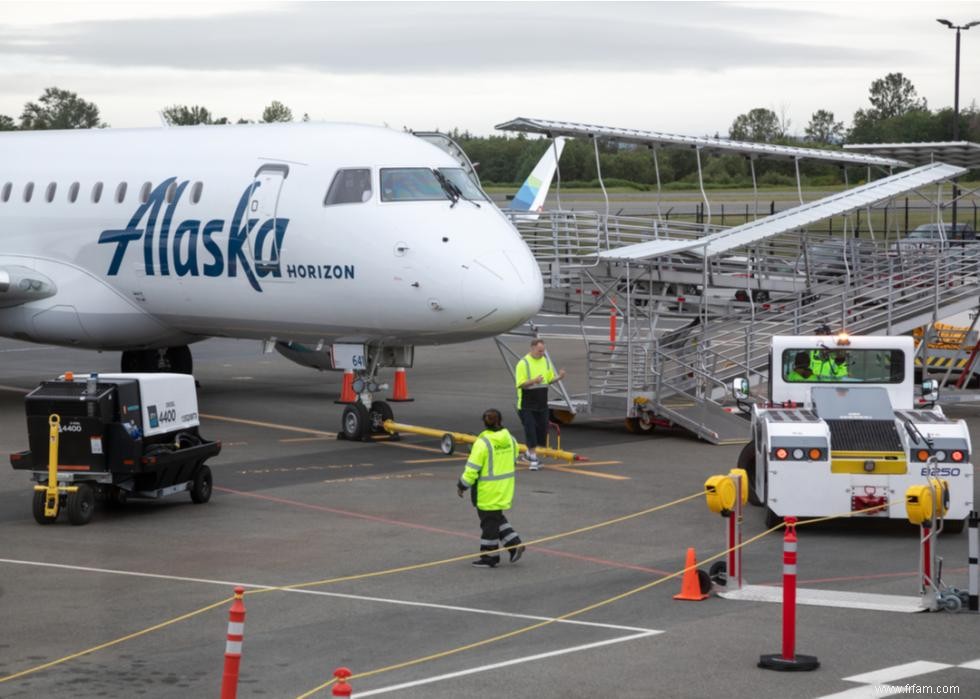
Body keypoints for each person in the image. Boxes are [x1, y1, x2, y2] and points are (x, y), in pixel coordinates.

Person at [457, 409, 525, 568]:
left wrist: (462, 485)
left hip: (486, 490)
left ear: (484, 422)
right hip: (504, 487)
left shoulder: (482, 442)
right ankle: (514, 544)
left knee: (488, 523)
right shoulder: (510, 439)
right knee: (495, 518)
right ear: (500, 420)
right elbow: (514, 458)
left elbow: (472, 469)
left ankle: (490, 556)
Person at [514, 338, 565, 470]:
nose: (542, 353)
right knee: (530, 430)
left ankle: (527, 454)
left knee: (541, 431)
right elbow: (520, 384)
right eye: (539, 351)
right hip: (526, 404)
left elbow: (548, 380)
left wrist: (558, 377)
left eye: (543, 351)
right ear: (532, 348)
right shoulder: (523, 363)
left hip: (542, 403)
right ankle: (534, 459)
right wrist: (533, 381)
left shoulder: (546, 362)